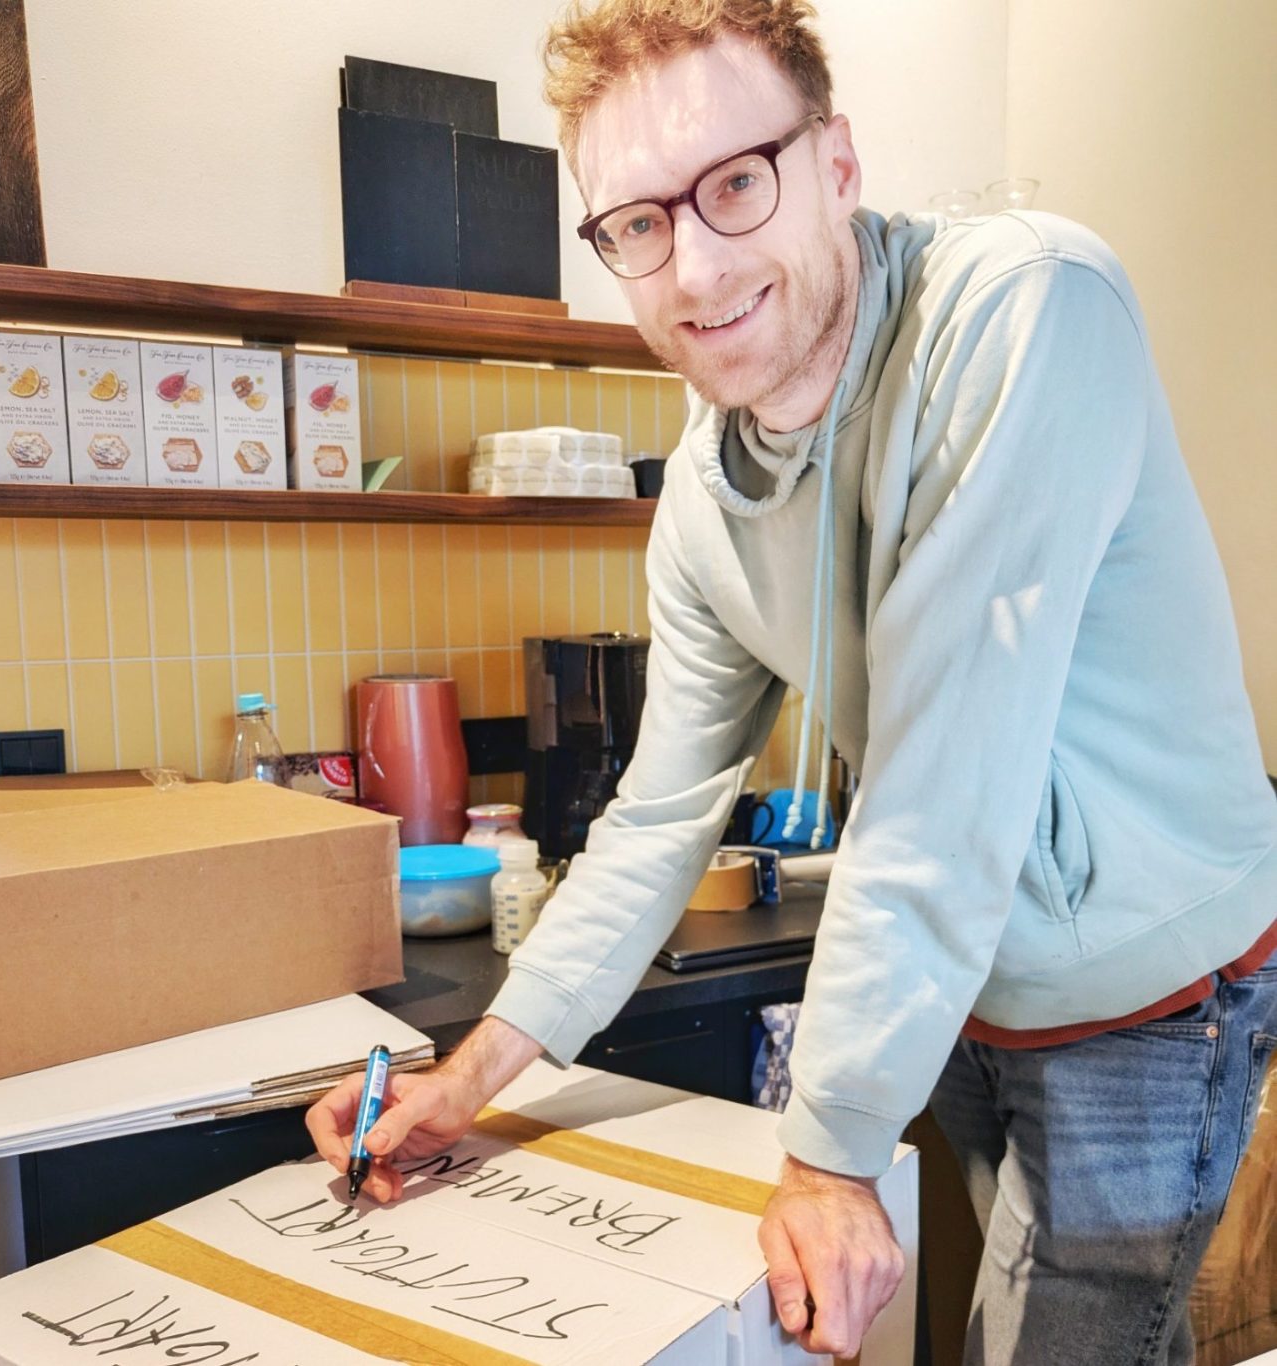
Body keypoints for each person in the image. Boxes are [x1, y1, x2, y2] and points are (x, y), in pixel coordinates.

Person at [309, 1, 1277, 1359]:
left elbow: (944, 776)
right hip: (966, 987)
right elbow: (654, 820)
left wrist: (826, 1158)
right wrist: (466, 1077)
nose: (693, 266)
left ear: (834, 166)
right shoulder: (705, 497)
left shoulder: (1023, 313)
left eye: (733, 184)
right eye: (637, 222)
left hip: (1151, 991)